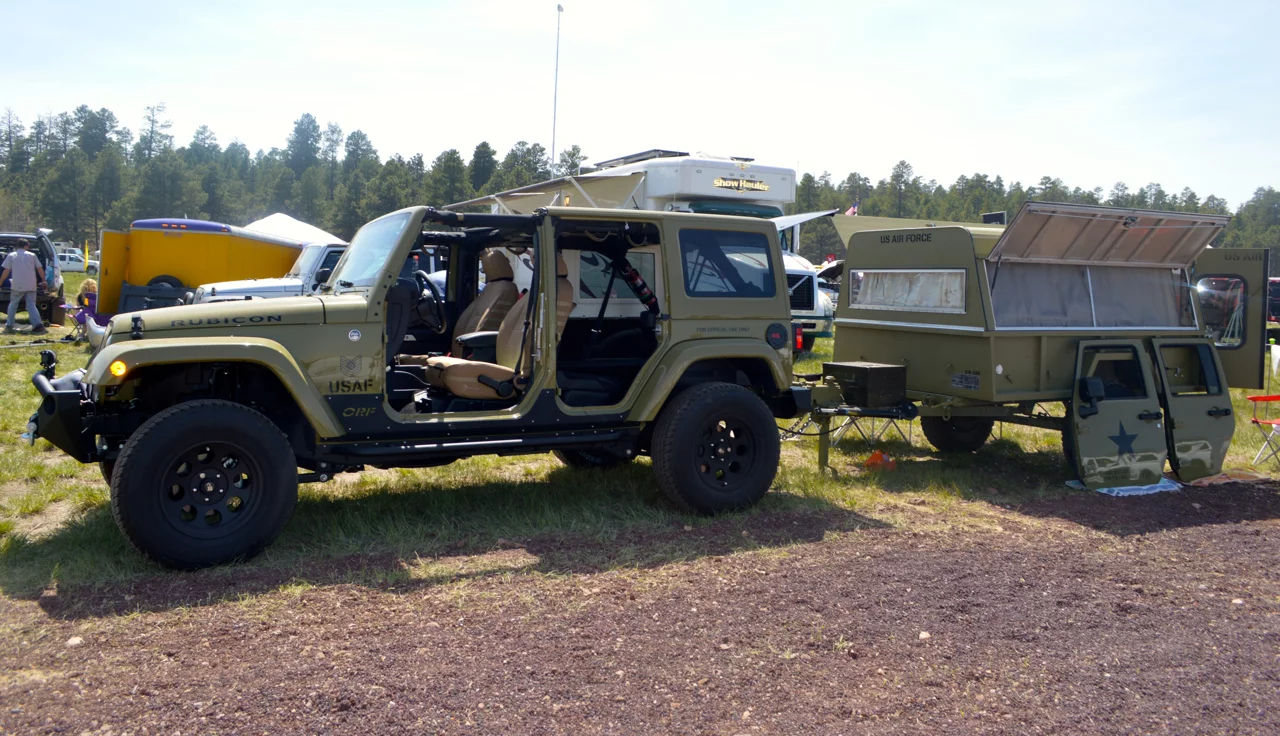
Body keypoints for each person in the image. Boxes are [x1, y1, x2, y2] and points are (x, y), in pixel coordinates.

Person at [1, 240, 48, 334]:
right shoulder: (32, 255)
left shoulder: (11, 256)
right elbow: (40, 269)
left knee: (13, 305)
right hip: (31, 284)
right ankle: (38, 326)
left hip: (17, 285)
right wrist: (44, 281)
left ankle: (9, 326)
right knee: (31, 305)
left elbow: (6, 271)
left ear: (17, 246)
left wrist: (1, 282)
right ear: (26, 246)